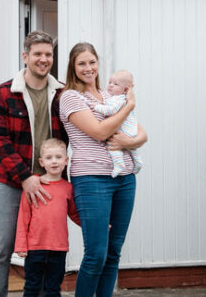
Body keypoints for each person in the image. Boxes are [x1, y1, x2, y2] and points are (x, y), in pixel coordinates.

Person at [58, 42, 147, 297]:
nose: (89, 68)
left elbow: (141, 134)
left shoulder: (109, 96)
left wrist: (129, 141)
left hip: (125, 178)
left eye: (92, 62)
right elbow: (99, 132)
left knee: (113, 252)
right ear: (73, 68)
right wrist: (129, 106)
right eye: (82, 63)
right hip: (92, 179)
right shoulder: (70, 97)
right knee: (96, 254)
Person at [0, 31, 68, 297]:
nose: (43, 60)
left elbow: (77, 133)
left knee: (48, 252)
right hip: (11, 183)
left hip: (50, 186)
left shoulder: (63, 94)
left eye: (48, 55)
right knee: (1, 249)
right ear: (25, 57)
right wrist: (25, 176)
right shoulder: (4, 93)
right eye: (38, 54)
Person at [14, 138, 80, 297]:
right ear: (41, 162)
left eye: (58, 157)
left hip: (59, 248)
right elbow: (23, 218)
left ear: (66, 160)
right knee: (32, 287)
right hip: (35, 248)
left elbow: (75, 214)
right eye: (49, 158)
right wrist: (21, 246)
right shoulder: (33, 187)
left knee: (53, 289)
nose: (54, 161)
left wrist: (97, 225)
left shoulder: (68, 188)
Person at [91, 70, 142, 177]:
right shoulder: (122, 99)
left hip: (123, 131)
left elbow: (111, 111)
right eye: (110, 82)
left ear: (126, 89)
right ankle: (138, 162)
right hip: (130, 130)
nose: (110, 86)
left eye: (115, 84)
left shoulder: (118, 100)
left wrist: (96, 107)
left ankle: (119, 164)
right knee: (132, 148)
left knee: (113, 146)